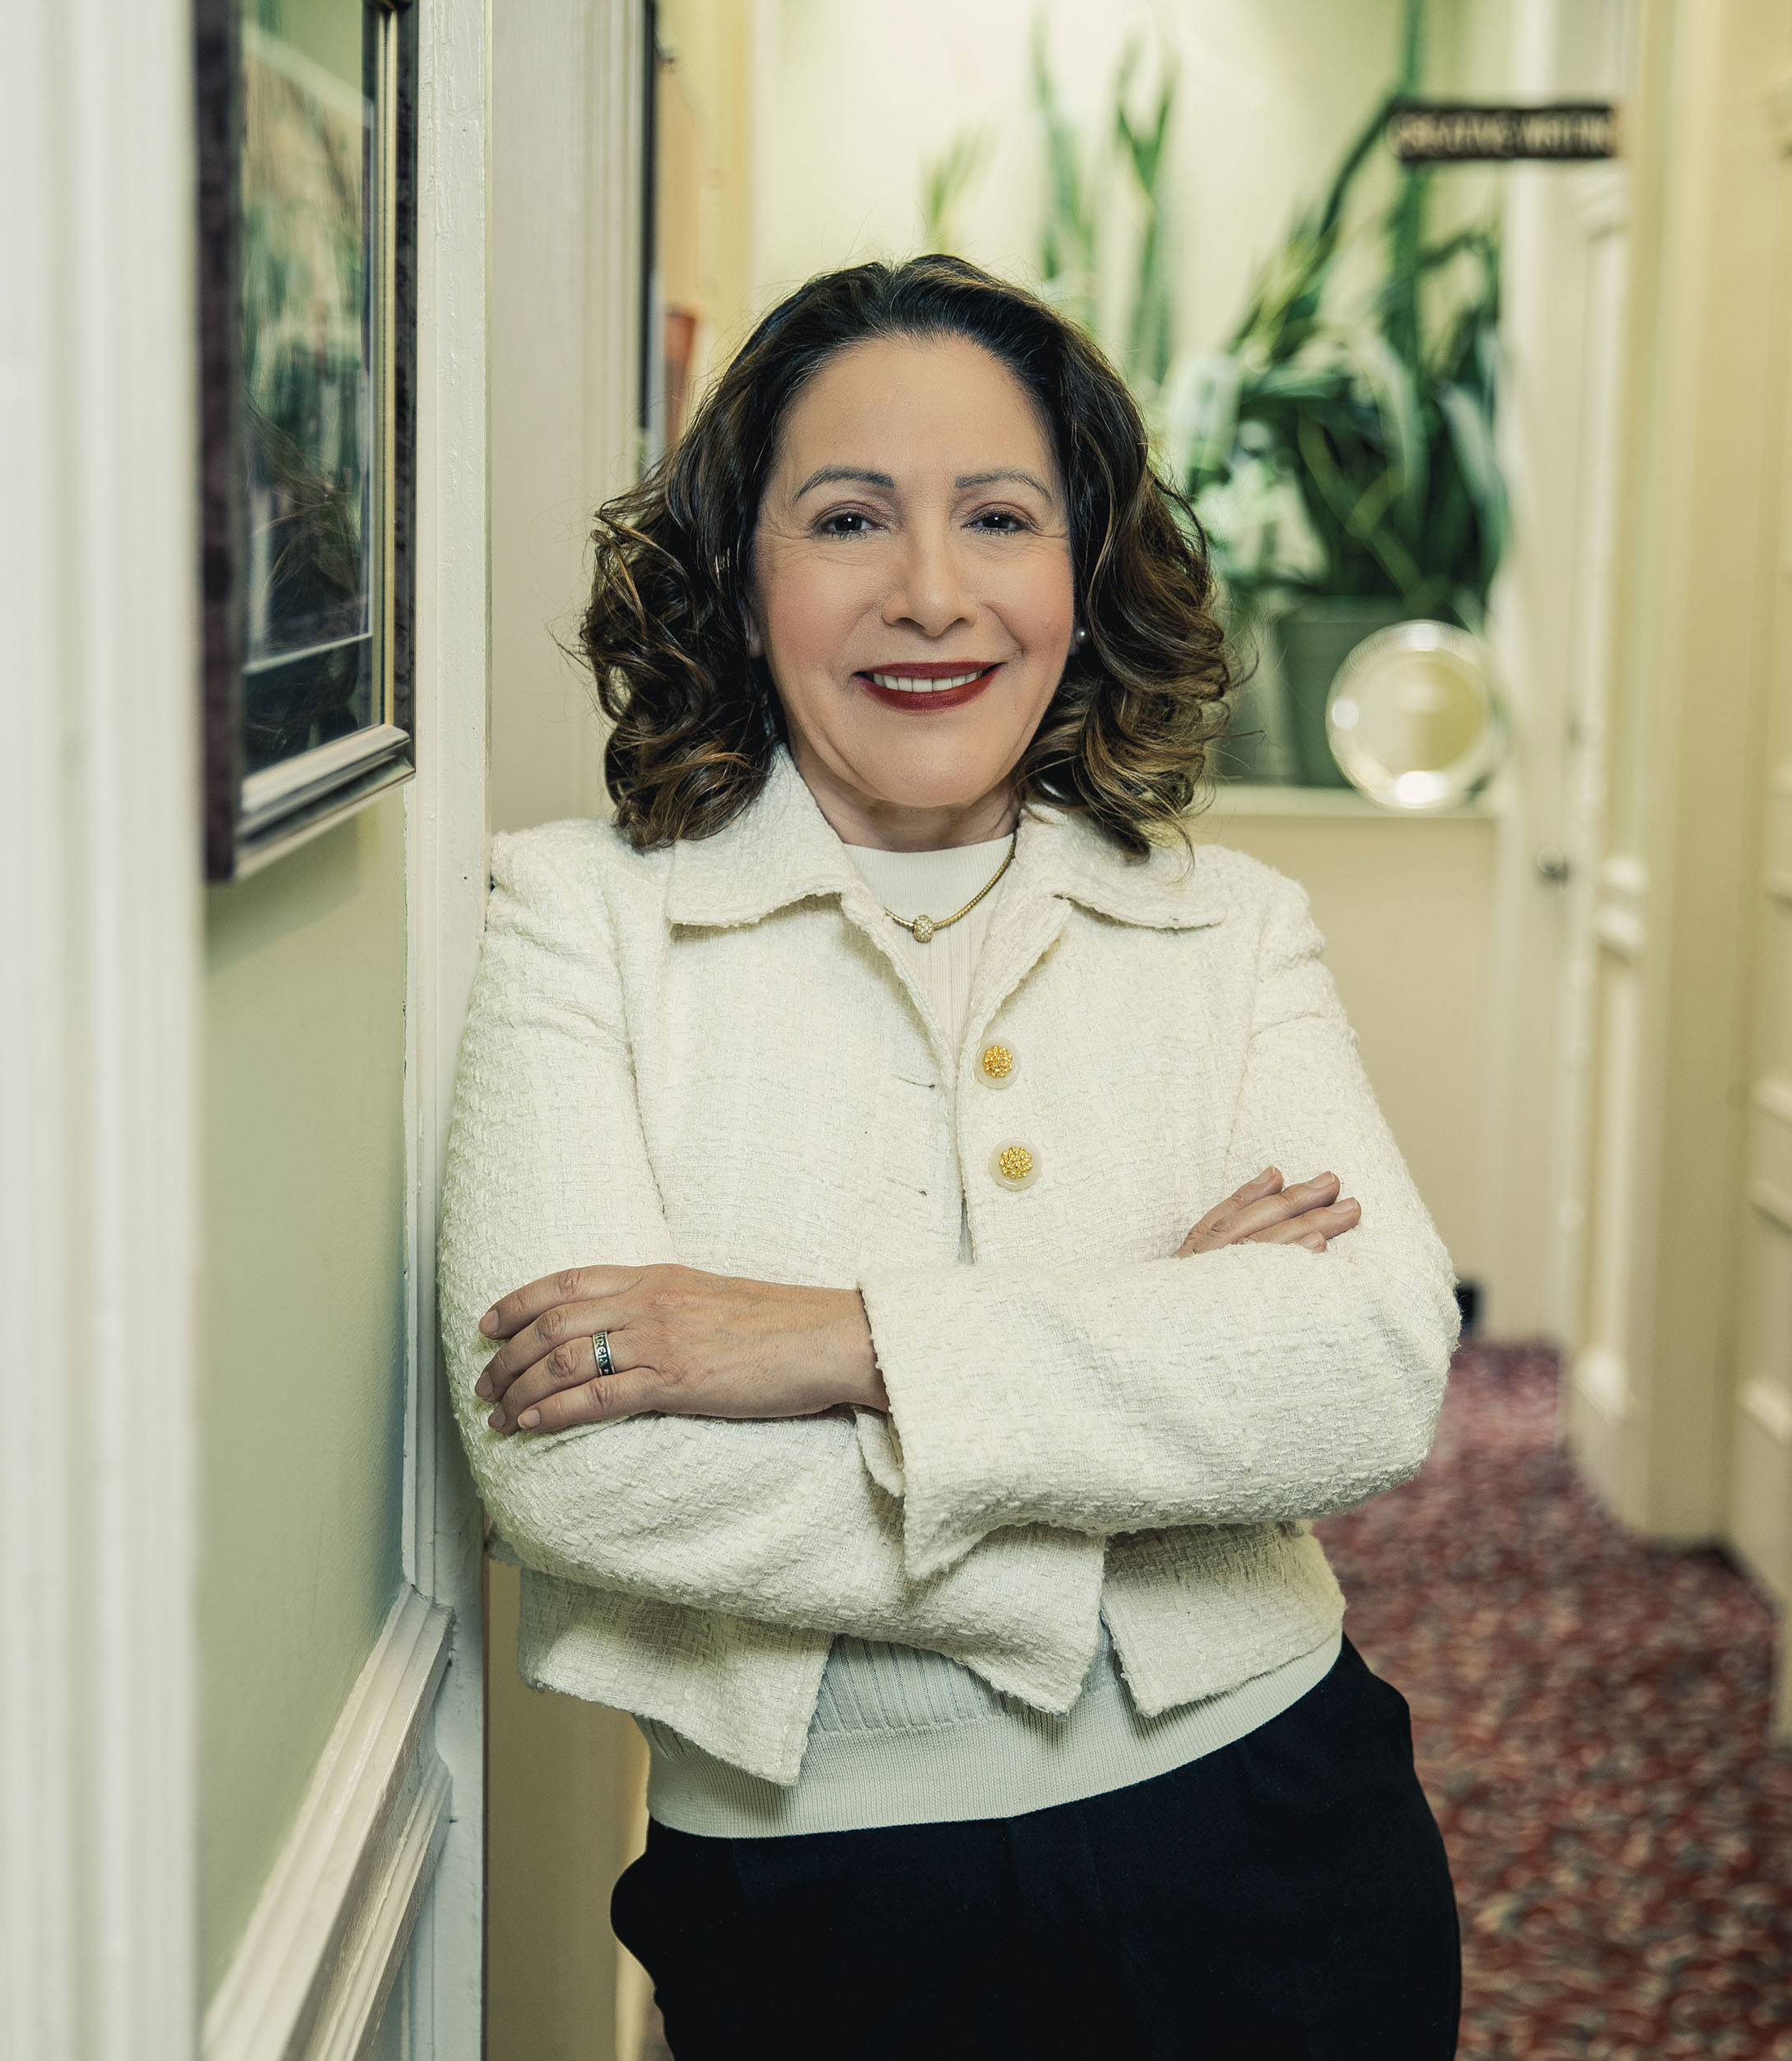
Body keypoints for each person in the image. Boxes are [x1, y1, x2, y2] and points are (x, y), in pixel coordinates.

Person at [439, 255, 1461, 2059]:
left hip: (1282, 1837)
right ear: (743, 584)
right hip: (827, 1903)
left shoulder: (1232, 930)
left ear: (1083, 574)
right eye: (848, 518)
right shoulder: (573, 919)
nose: (932, 594)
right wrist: (1157, 1377)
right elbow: (577, 1478)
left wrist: (826, 1342)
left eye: (999, 516)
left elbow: (1369, 1373)